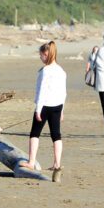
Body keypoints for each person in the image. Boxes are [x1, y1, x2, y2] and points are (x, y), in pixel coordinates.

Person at [20, 41, 67, 183]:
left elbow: (41, 92)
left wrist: (38, 109)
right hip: (57, 105)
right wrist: (62, 109)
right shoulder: (61, 70)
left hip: (45, 105)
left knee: (34, 133)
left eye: (41, 55)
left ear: (46, 54)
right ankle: (57, 163)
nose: (41, 58)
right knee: (56, 135)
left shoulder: (45, 71)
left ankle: (31, 161)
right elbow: (64, 92)